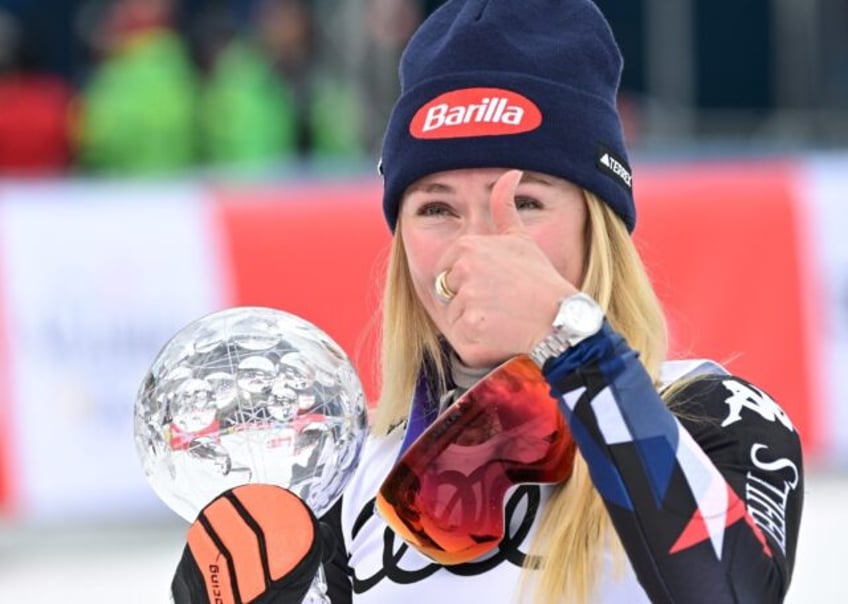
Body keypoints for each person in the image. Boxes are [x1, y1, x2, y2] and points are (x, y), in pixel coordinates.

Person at [170, 1, 804, 602]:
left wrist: (572, 345)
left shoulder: (709, 415)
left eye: (525, 202)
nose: (477, 244)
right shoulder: (354, 477)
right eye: (437, 208)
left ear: (597, 226)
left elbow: (732, 593)